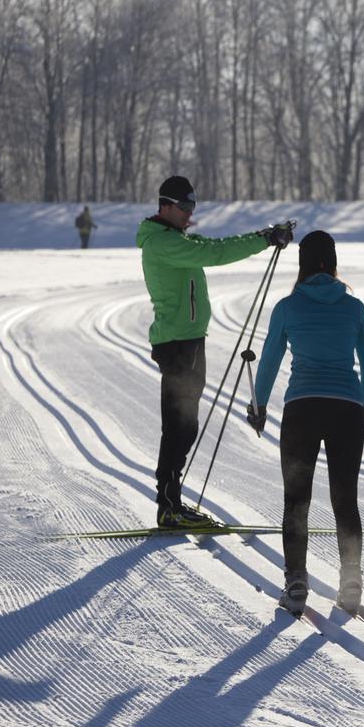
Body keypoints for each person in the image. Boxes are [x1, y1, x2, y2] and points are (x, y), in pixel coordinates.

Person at [136, 175, 292, 529]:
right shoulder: (162, 245)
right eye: (185, 207)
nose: (190, 215)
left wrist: (262, 236)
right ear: (166, 205)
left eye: (194, 207)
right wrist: (265, 240)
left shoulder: (175, 238)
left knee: (184, 425)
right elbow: (214, 253)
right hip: (178, 344)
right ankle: (168, 506)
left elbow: (219, 243)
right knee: (179, 425)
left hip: (187, 340)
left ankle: (171, 504)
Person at [247, 230, 364, 618]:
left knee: (297, 499)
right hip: (345, 410)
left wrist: (259, 406)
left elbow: (269, 359)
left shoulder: (287, 307)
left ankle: (296, 582)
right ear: (333, 262)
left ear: (303, 264)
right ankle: (350, 581)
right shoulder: (354, 308)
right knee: (345, 499)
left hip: (302, 409)